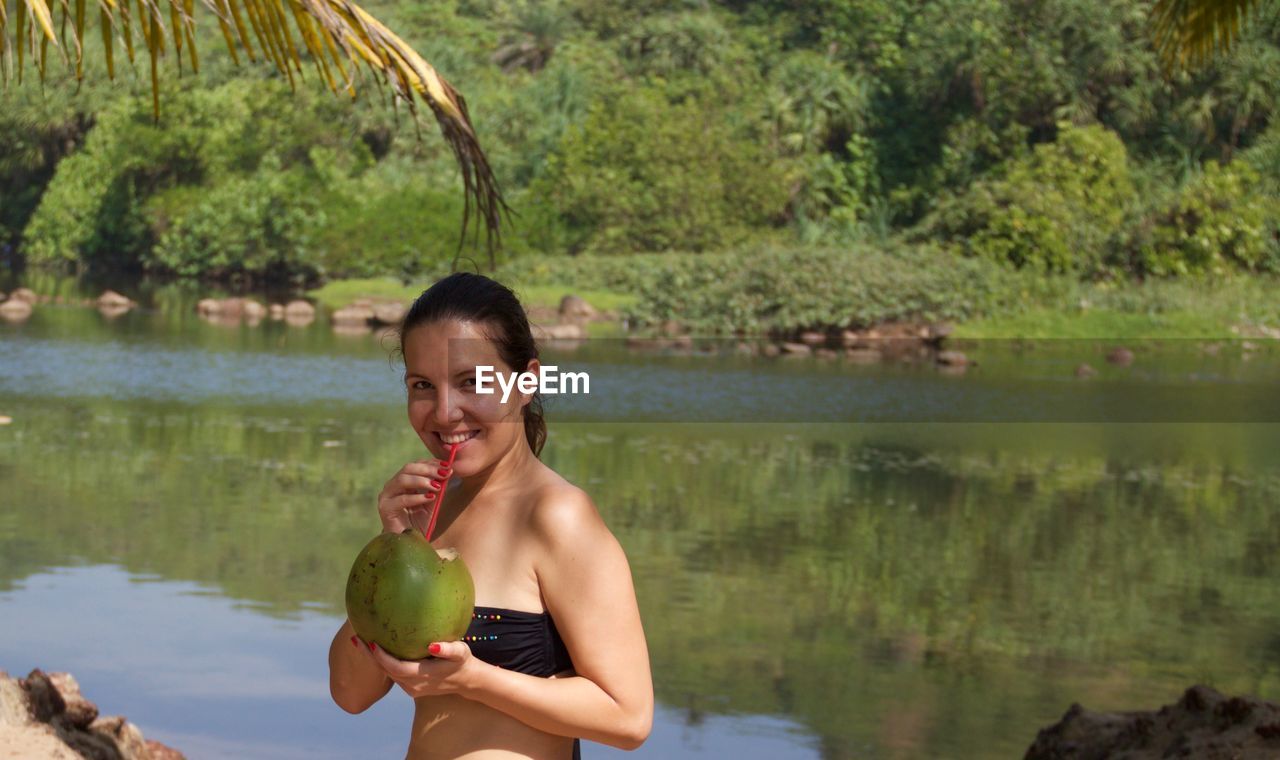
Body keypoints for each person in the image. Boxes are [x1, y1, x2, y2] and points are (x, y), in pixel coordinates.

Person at [328, 273, 653, 759]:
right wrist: (390, 547)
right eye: (422, 385)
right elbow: (350, 695)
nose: (444, 411)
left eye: (471, 382)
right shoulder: (427, 514)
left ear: (528, 382)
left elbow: (628, 717)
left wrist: (475, 679)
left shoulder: (556, 515)